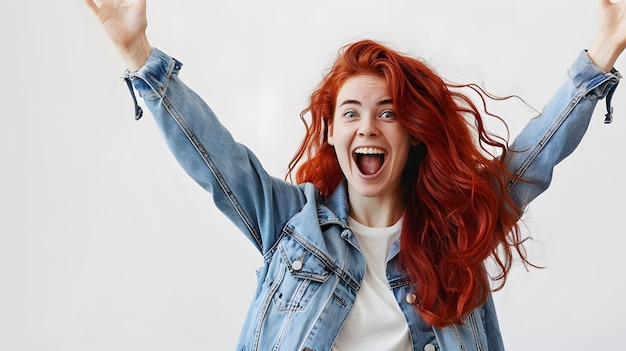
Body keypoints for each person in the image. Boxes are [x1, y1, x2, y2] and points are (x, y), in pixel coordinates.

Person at [86, 0, 625, 350]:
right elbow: (215, 159)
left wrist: (603, 51)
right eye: (350, 112)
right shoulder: (290, 224)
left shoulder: (452, 232)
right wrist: (139, 56)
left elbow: (531, 159)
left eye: (388, 112)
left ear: (412, 133)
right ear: (330, 135)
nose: (368, 126)